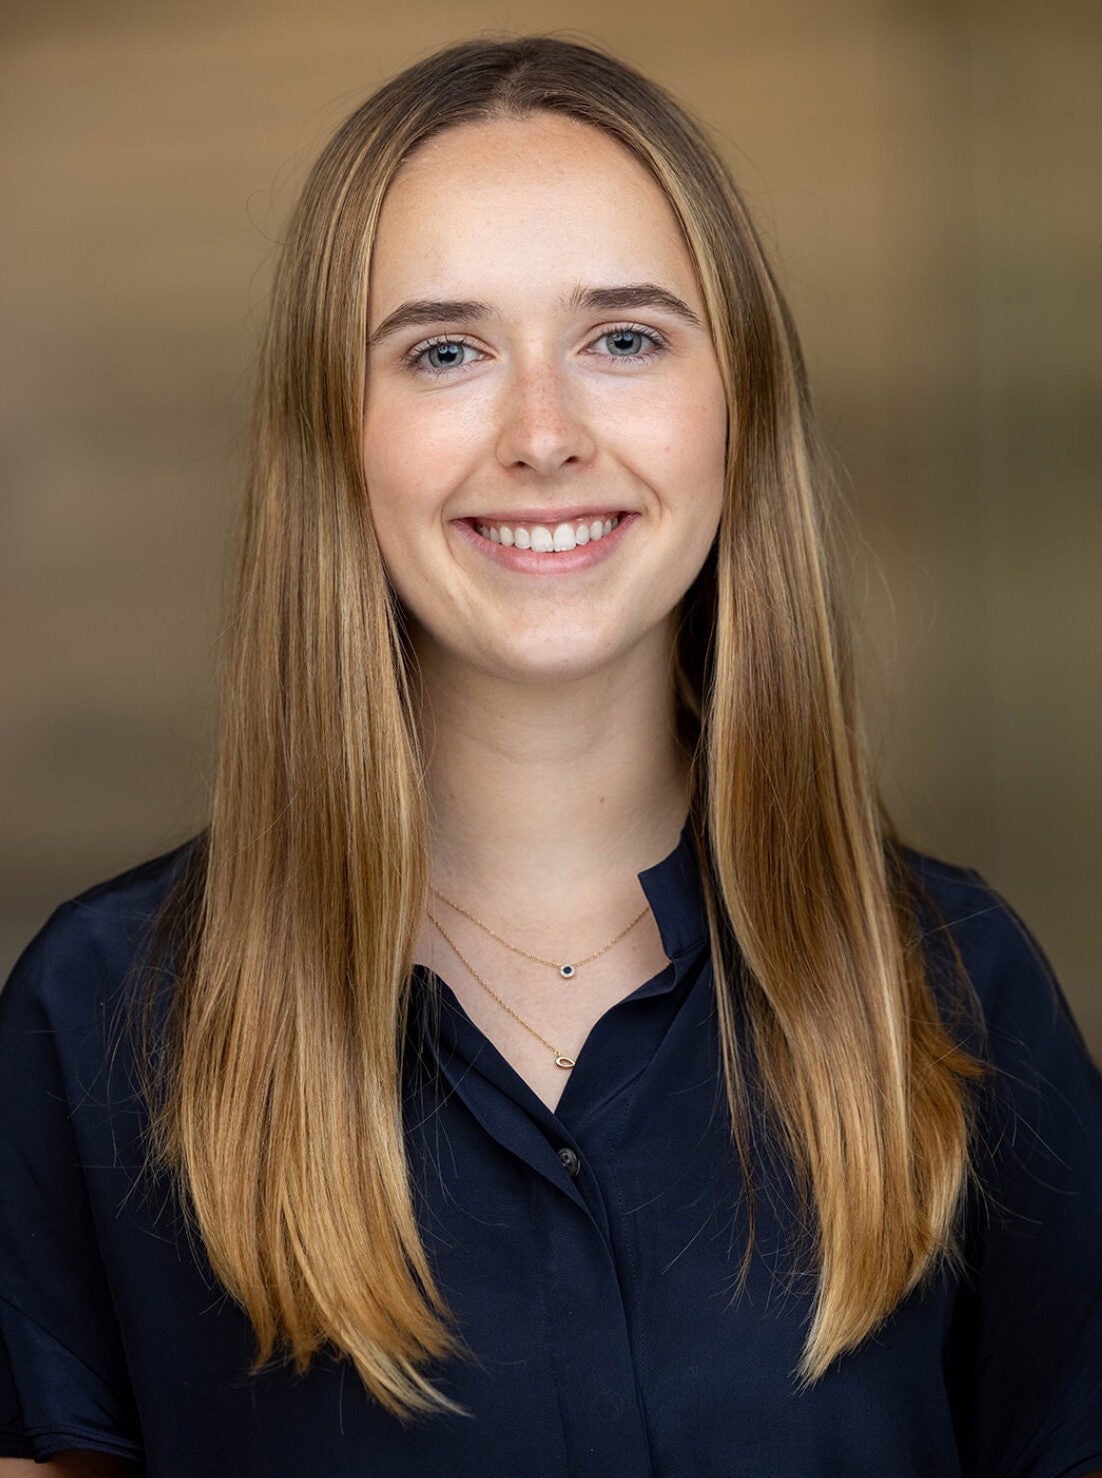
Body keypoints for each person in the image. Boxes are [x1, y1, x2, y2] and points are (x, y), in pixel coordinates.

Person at [1, 32, 1100, 1478]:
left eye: (624, 339)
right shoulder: (99, 1020)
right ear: (336, 433)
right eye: (445, 351)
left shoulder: (955, 988)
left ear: (740, 404)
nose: (542, 434)